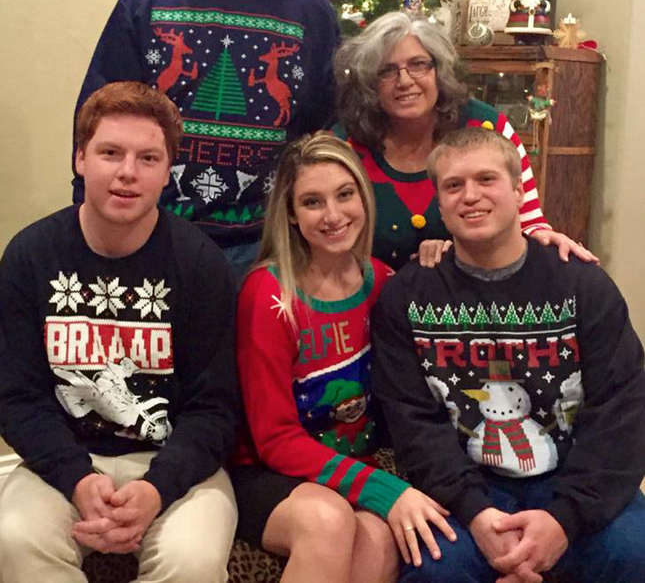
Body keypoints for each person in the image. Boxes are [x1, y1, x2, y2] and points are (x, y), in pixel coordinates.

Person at [371, 127, 645, 583]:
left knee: (634, 553)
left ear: (519, 192)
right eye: (453, 185)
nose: (470, 196)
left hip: (573, 480)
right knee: (433, 573)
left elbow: (622, 409)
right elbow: (412, 422)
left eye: (486, 179)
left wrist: (565, 520)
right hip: (465, 492)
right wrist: (476, 513)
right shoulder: (407, 296)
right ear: (439, 204)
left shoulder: (583, 285)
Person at [0, 82, 239, 583]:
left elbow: (215, 408)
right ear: (80, 158)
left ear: (168, 172)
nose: (128, 172)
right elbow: (16, 397)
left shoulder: (200, 264)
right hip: (64, 459)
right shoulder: (29, 256)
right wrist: (76, 477)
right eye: (110, 153)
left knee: (191, 560)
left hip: (173, 462)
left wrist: (157, 487)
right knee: (14, 538)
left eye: (148, 158)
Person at [74, 0, 339, 285]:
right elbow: (98, 116)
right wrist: (87, 212)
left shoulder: (310, 11)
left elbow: (325, 126)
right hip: (153, 237)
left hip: (266, 248)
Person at [232, 132, 456, 583]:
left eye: (345, 195)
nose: (333, 215)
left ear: (363, 197)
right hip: (267, 471)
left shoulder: (383, 283)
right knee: (329, 520)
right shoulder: (269, 295)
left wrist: (448, 256)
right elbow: (273, 438)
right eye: (312, 202)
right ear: (291, 214)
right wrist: (382, 489)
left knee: (383, 540)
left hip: (353, 462)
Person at [334, 11, 597, 271]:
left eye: (418, 64)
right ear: (370, 82)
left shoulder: (488, 126)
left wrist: (548, 240)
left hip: (471, 289)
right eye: (386, 71)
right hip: (370, 291)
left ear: (439, 70)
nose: (404, 81)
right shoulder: (344, 145)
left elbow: (526, 220)